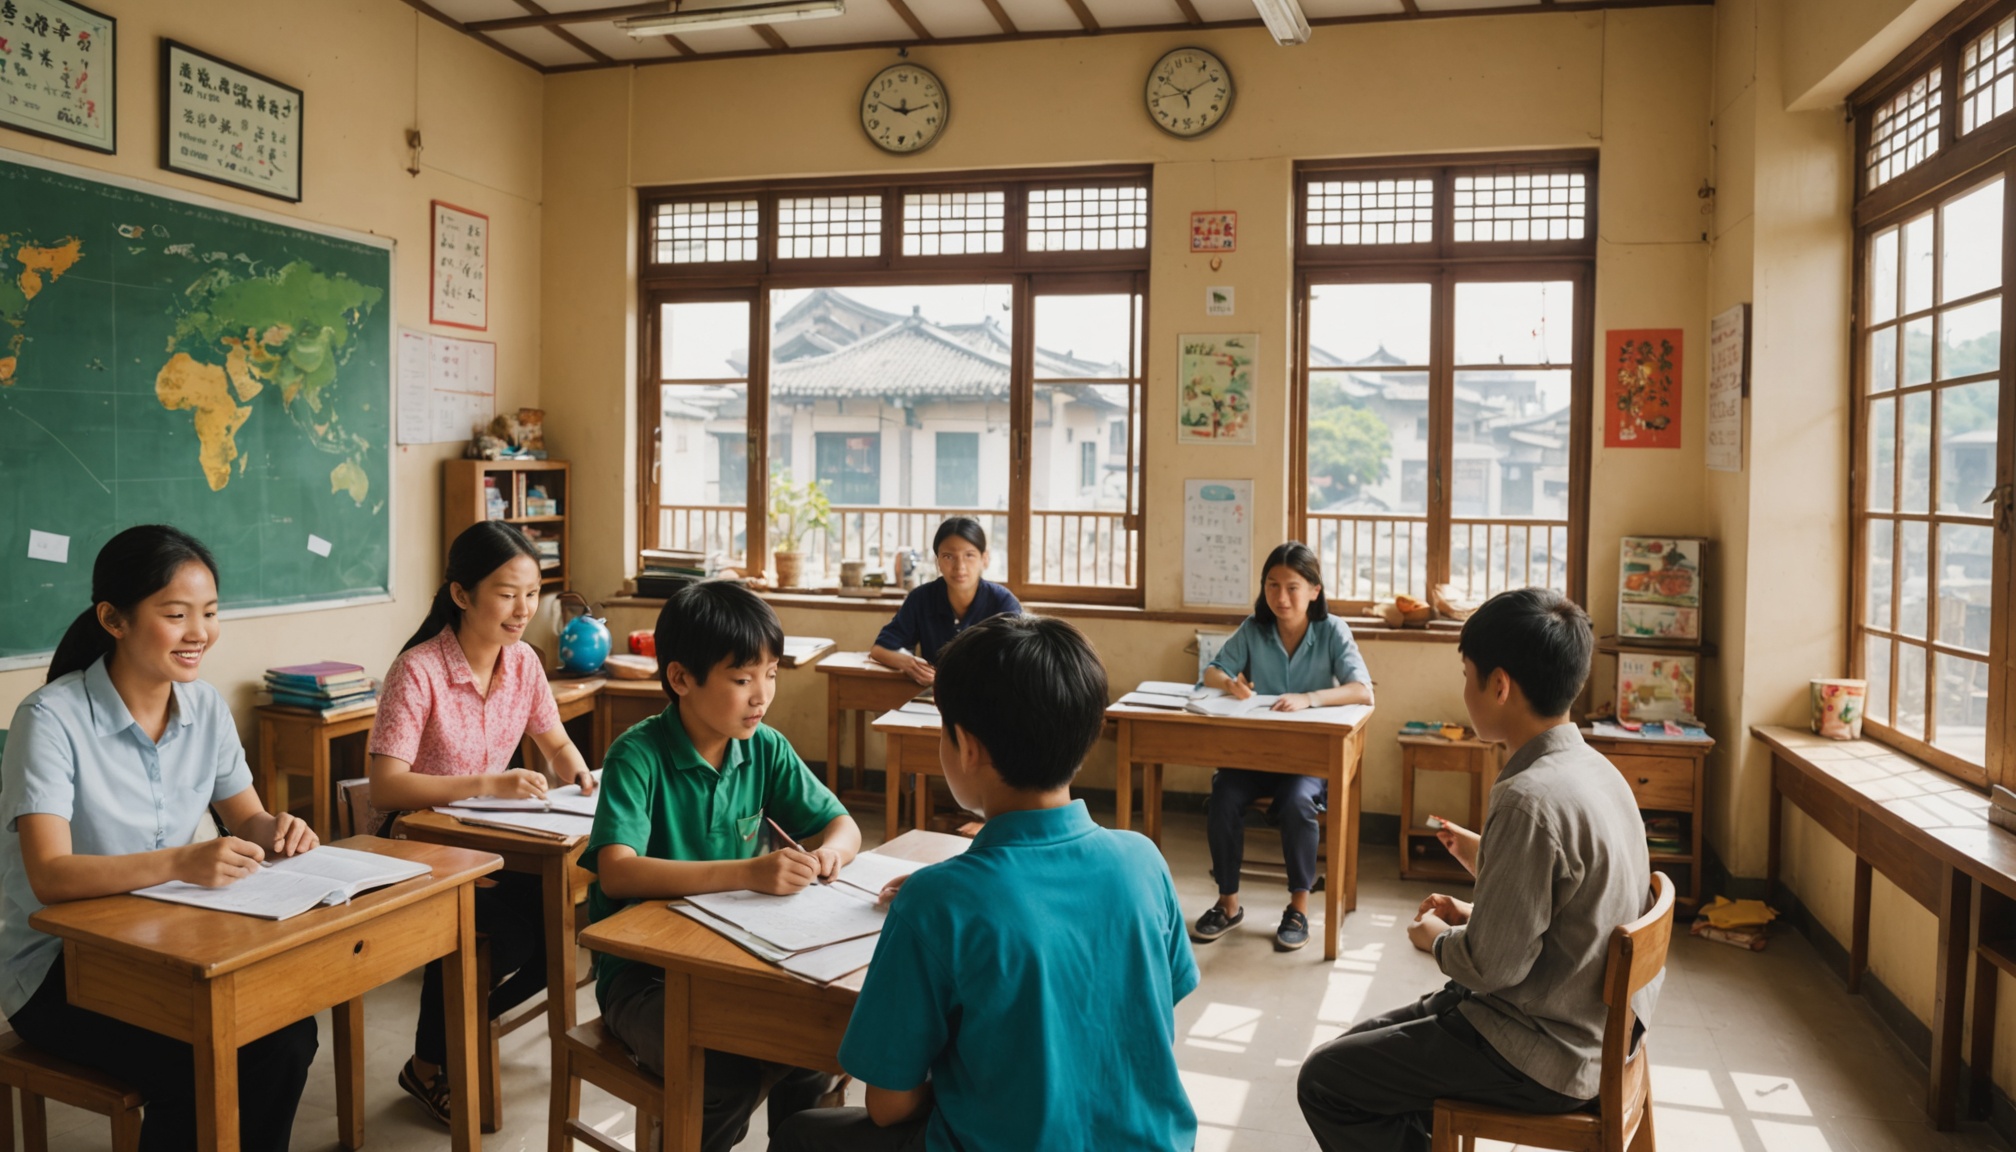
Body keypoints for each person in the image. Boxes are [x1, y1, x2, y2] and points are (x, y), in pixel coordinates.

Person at [770, 614, 1198, 1152]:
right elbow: (1153, 1008)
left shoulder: (938, 901)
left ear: (966, 747)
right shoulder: (1144, 860)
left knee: (799, 1134)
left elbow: (888, 1104)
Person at [1296, 588, 1660, 1152]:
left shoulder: (1527, 798)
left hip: (1540, 1049)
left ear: (1499, 685)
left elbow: (1491, 967)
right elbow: (1575, 911)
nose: (1464, 689)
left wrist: (1439, 939)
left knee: (1327, 1080)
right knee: (1360, 1049)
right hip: (1596, 1029)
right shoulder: (1599, 770)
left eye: (1467, 673)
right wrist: (1479, 900)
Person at [0, 525, 320, 1152]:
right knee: (196, 1063)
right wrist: (181, 861)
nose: (199, 631)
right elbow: (50, 876)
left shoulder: (205, 709)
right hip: (57, 969)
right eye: (176, 614)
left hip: (166, 944)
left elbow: (249, 819)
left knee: (287, 1037)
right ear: (113, 619)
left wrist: (280, 831)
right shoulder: (48, 720)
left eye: (209, 612)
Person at [585, 580, 862, 1152]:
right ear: (682, 679)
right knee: (722, 1075)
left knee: (812, 1052)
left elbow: (843, 826)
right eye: (742, 679)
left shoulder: (764, 748)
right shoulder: (638, 755)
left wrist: (829, 855)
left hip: (733, 961)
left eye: (772, 675)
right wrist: (747, 873)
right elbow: (617, 871)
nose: (761, 696)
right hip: (645, 981)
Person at [368, 520, 597, 1125]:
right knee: (506, 933)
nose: (523, 609)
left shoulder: (522, 662)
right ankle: (431, 1061)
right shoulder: (416, 670)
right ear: (462, 594)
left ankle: (464, 1031)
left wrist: (582, 777)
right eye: (506, 593)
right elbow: (386, 786)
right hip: (414, 842)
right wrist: (489, 782)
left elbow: (556, 743)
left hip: (491, 839)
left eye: (532, 592)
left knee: (566, 920)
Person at [1190, 541, 1374, 952]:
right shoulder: (1254, 628)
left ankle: (1298, 908)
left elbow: (1362, 690)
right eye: (1272, 585)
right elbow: (1212, 671)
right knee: (1222, 794)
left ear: (1315, 590)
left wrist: (1312, 698)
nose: (1281, 597)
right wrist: (1231, 683)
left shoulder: (1332, 631)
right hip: (1255, 754)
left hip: (1308, 758)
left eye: (1293, 587)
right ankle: (1228, 903)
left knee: (1296, 802)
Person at [870, 517, 1022, 686]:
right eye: (948, 557)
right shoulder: (921, 598)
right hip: (935, 698)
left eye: (969, 555)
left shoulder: (1003, 603)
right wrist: (910, 664)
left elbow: (1019, 663)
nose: (959, 567)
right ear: (938, 562)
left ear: (984, 559)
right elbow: (880, 649)